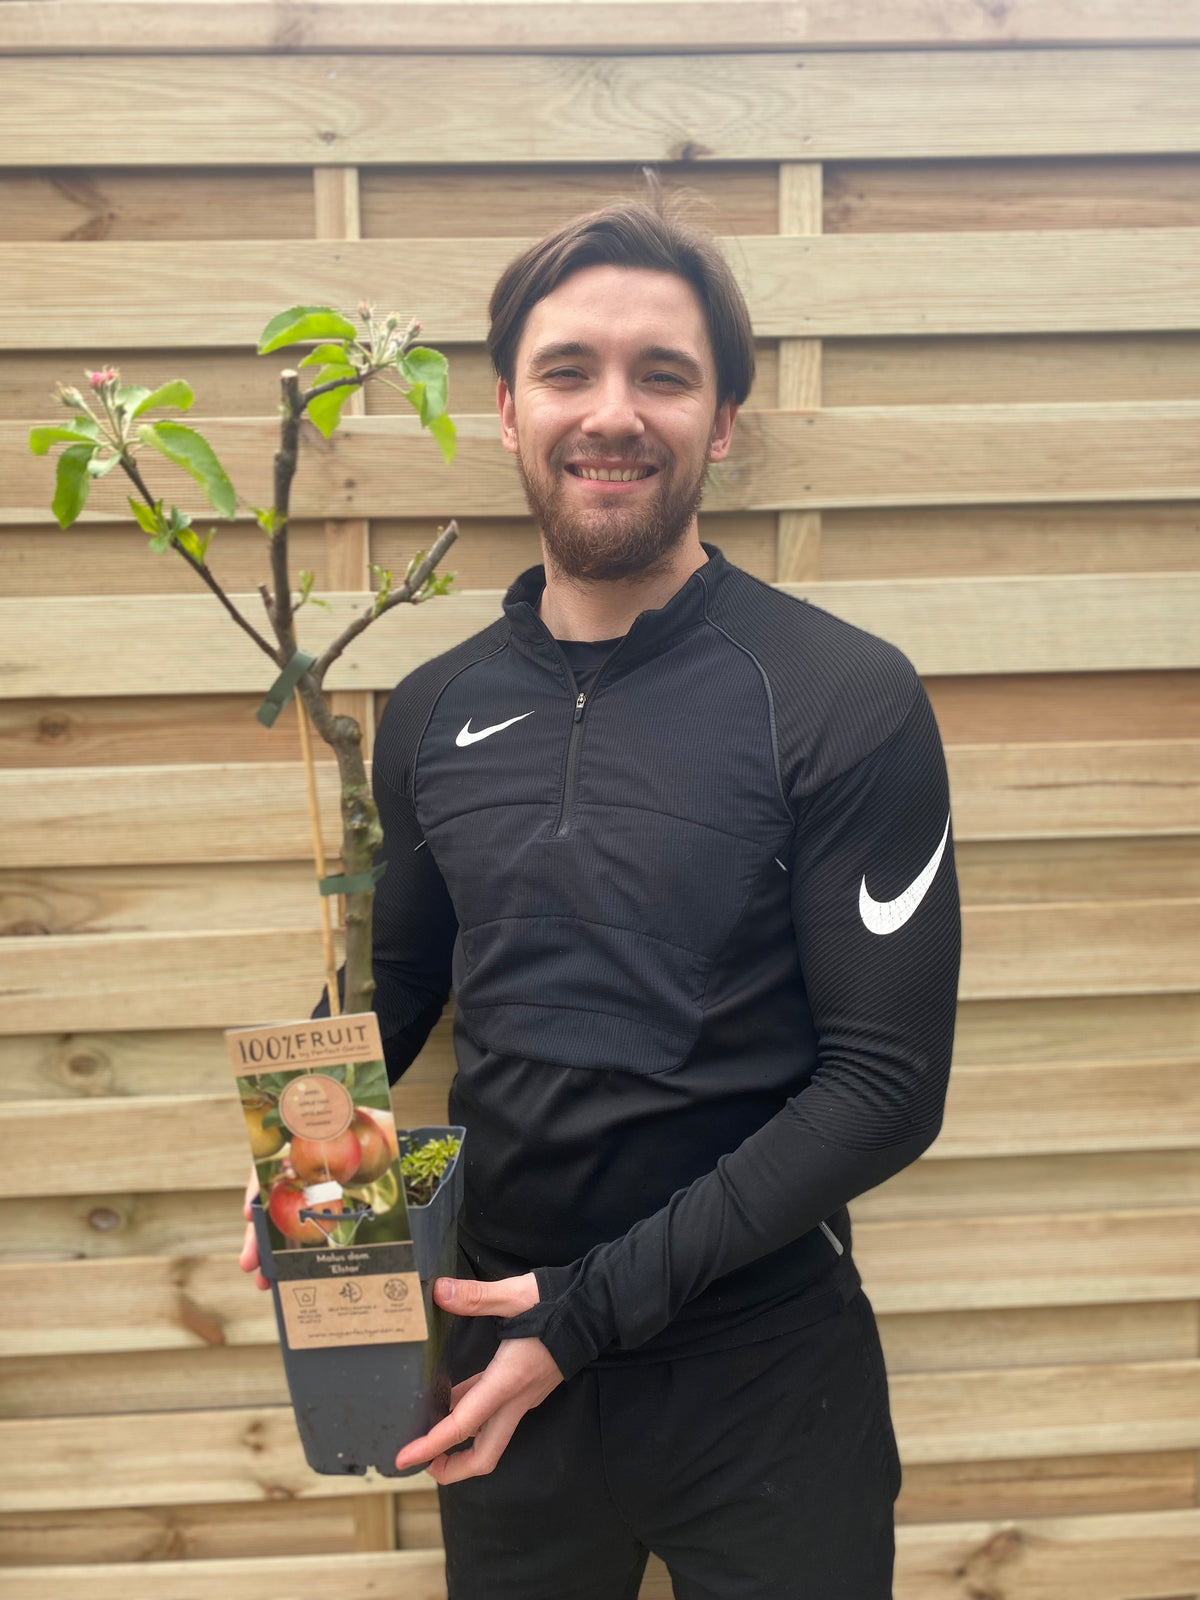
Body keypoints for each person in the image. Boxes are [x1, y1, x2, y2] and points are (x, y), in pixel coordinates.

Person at [242, 199, 961, 1599]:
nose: (613, 412)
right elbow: (404, 982)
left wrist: (585, 1313)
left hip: (765, 1373)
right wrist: (302, 1161)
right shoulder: (433, 710)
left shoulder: (841, 696)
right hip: (499, 1358)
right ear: (510, 409)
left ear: (724, 420)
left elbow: (886, 1088)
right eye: (569, 370)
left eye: (664, 375)